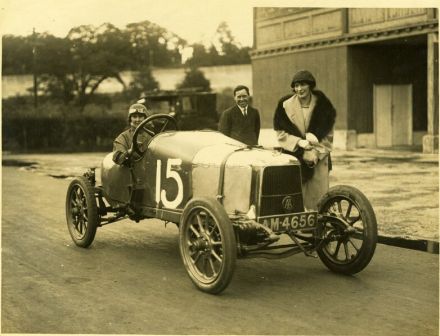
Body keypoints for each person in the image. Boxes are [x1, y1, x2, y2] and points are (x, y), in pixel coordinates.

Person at [273, 70, 336, 211]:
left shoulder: (323, 105)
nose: (299, 89)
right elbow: (281, 133)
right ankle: (299, 226)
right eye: (296, 86)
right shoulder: (285, 105)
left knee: (318, 197)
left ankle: (318, 223)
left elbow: (328, 135)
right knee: (296, 195)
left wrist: (316, 154)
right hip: (294, 156)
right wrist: (299, 142)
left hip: (318, 159)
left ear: (310, 85)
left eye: (303, 85)